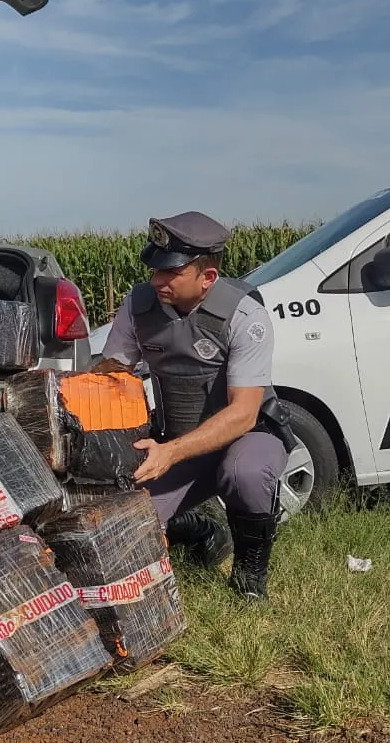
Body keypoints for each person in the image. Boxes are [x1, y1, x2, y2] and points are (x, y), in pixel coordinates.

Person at [92, 210, 294, 601]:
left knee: (245, 473)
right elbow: (112, 372)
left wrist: (171, 452)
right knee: (126, 521)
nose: (156, 280)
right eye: (154, 269)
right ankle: (202, 531)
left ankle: (249, 580)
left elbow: (243, 413)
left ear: (208, 278)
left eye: (171, 272)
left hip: (247, 437)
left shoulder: (245, 315)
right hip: (179, 442)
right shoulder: (138, 307)